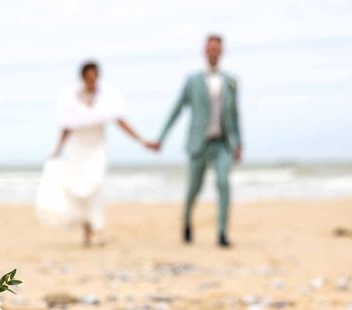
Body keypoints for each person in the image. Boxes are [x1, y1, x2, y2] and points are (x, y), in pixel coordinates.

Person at [148, 34, 242, 248]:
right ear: (204, 51)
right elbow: (177, 109)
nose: (213, 51)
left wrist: (239, 143)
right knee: (194, 188)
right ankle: (188, 222)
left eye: (217, 48)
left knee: (223, 183)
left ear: (222, 51)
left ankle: (222, 233)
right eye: (210, 48)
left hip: (223, 144)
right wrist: (160, 138)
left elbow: (235, 115)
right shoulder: (192, 81)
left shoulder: (231, 81)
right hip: (198, 144)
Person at [46, 61, 153, 247]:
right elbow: (67, 126)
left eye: (94, 76)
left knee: (95, 185)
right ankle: (87, 229)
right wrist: (57, 150)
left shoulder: (107, 97)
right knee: (79, 189)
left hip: (97, 147)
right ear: (83, 77)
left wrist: (142, 140)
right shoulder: (71, 97)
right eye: (88, 76)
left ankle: (98, 227)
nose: (92, 80)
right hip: (77, 147)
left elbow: (120, 121)